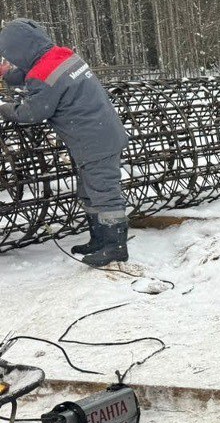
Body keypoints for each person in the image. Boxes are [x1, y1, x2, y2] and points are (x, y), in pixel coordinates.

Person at [0, 19, 129, 266]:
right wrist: (9, 75)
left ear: (17, 50)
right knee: (90, 192)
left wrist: (5, 108)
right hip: (99, 134)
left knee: (104, 193)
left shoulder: (43, 75)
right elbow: (37, 73)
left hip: (94, 142)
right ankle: (99, 239)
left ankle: (115, 246)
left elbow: (33, 112)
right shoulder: (62, 55)